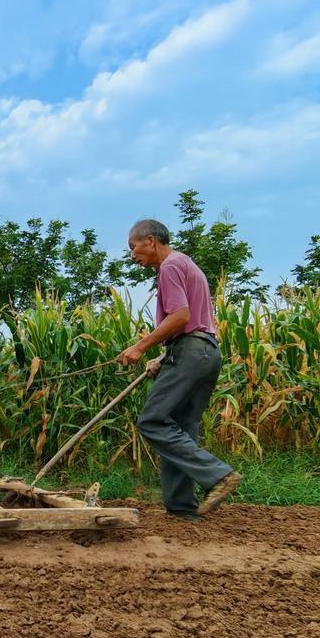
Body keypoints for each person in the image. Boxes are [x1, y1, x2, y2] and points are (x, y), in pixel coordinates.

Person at [116, 219, 241, 520]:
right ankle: (183, 508)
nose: (133, 255)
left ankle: (218, 474)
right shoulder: (187, 263)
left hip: (190, 352)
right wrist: (163, 357)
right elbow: (194, 322)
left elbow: (181, 316)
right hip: (205, 351)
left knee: (152, 420)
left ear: (150, 240)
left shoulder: (169, 266)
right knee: (181, 427)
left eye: (133, 247)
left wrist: (139, 347)